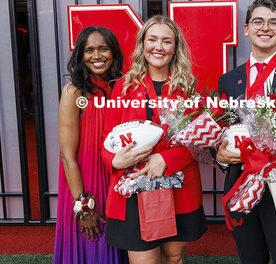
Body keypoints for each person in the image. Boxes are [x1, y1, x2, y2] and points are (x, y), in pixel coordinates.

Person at [101, 15, 207, 264]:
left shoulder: (190, 86)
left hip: (178, 187)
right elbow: (107, 137)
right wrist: (116, 160)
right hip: (134, 187)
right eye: (152, 39)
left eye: (166, 41)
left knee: (173, 257)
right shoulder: (124, 87)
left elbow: (200, 139)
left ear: (175, 47)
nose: (159, 47)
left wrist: (166, 159)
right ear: (142, 44)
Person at [216, 0, 276, 264]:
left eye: (273, 22)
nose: (265, 28)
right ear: (246, 29)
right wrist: (220, 155)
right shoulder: (229, 81)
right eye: (258, 21)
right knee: (250, 258)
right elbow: (221, 131)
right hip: (242, 182)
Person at [53, 26, 126, 263]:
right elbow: (67, 157)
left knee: (120, 244)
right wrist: (83, 206)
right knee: (92, 244)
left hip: (117, 179)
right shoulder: (74, 92)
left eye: (103, 48)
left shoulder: (122, 88)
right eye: (89, 50)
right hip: (87, 185)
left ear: (113, 52)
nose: (97, 56)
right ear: (80, 56)